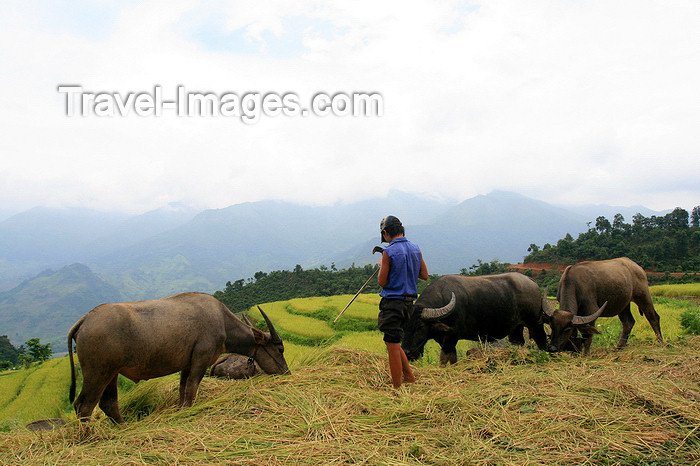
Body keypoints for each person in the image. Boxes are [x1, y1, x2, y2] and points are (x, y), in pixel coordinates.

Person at [377, 215, 429, 389]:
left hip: (392, 304)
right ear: (402, 230)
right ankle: (409, 377)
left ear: (385, 233)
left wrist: (382, 265)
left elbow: (382, 282)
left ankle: (397, 389)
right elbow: (424, 275)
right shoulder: (415, 248)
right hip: (409, 305)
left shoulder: (388, 252)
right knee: (394, 341)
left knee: (392, 346)